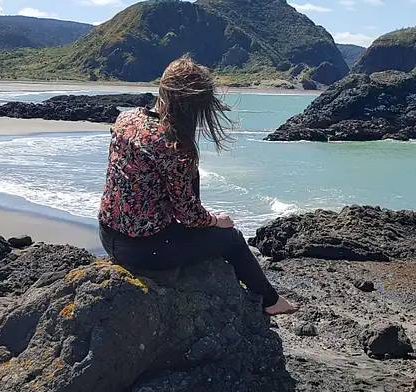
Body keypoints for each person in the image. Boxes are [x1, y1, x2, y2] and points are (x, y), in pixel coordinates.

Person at [98, 55, 296, 316]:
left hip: (108, 233)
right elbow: (189, 216)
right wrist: (216, 220)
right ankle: (271, 301)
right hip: (143, 250)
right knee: (233, 239)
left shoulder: (126, 119)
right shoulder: (174, 145)